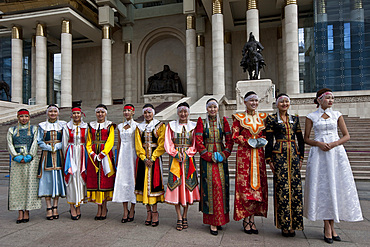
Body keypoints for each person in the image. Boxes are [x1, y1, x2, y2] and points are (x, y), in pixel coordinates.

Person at [304, 88, 363, 244]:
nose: (331, 101)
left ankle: (332, 226)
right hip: (319, 155)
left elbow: (346, 135)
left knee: (335, 187)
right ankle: (327, 226)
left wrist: (334, 143)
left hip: (336, 154)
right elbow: (306, 138)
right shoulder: (311, 117)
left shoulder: (337, 115)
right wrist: (318, 143)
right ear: (319, 100)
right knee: (323, 188)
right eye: (328, 98)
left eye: (332, 98)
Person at [265, 93, 305, 237]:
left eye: (286, 101)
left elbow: (300, 139)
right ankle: (284, 224)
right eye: (281, 102)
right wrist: (269, 158)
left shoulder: (295, 119)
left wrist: (301, 157)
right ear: (277, 104)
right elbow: (269, 140)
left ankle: (294, 224)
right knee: (282, 188)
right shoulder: (271, 119)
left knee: (295, 188)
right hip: (279, 155)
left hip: (293, 155)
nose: (284, 104)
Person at [195, 98, 233, 236]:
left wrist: (225, 154)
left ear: (218, 109)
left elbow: (229, 140)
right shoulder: (201, 122)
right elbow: (198, 141)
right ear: (206, 109)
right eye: (210, 107)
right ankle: (212, 221)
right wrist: (207, 155)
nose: (212, 109)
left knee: (222, 186)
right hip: (208, 158)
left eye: (214, 107)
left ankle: (220, 219)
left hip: (221, 157)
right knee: (211, 186)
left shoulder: (223, 122)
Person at [232, 91, 268, 234]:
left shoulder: (263, 118)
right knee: (244, 187)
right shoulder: (238, 118)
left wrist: (262, 140)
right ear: (245, 102)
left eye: (256, 100)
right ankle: (246, 219)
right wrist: (247, 141)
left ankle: (252, 219)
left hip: (258, 155)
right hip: (244, 156)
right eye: (251, 100)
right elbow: (235, 136)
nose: (254, 103)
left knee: (257, 188)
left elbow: (266, 134)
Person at [164, 102, 200, 231]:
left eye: (185, 111)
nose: (183, 114)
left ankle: (185, 215)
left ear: (188, 112)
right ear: (177, 113)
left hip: (189, 160)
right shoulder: (171, 126)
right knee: (177, 188)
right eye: (181, 111)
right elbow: (168, 142)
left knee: (187, 188)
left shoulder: (194, 126)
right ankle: (179, 216)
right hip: (175, 160)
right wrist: (175, 154)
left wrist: (188, 153)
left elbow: (195, 143)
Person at [7, 109, 41, 223]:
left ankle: (27, 211)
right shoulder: (12, 130)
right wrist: (16, 156)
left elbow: (35, 142)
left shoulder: (34, 129)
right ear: (18, 117)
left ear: (29, 117)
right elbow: (10, 144)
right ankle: (19, 211)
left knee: (29, 185)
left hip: (30, 160)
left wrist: (30, 155)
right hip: (17, 161)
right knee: (17, 186)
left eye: (26, 116)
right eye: (21, 116)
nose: (24, 119)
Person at [135, 104, 165, 227]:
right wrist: (143, 158)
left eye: (149, 112)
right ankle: (148, 212)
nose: (147, 115)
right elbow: (138, 144)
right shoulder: (139, 127)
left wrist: (152, 158)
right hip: (143, 161)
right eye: (145, 113)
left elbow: (162, 143)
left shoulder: (160, 126)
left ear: (153, 113)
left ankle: (155, 212)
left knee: (153, 186)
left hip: (155, 160)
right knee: (144, 187)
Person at [86, 104, 116, 220]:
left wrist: (104, 153)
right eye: (98, 112)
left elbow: (110, 140)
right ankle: (99, 207)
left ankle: (104, 207)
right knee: (95, 179)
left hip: (105, 155)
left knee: (104, 179)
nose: (100, 114)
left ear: (106, 113)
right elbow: (88, 141)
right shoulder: (91, 126)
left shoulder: (110, 126)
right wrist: (92, 153)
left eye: (102, 112)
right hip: (94, 156)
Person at [37, 104, 66, 220]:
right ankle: (48, 207)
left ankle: (55, 207)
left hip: (59, 156)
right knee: (47, 182)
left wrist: (59, 146)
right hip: (46, 156)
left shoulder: (62, 125)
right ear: (47, 113)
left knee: (57, 182)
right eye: (51, 111)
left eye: (55, 111)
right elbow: (39, 140)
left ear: (58, 113)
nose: (53, 113)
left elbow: (65, 138)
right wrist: (48, 147)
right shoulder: (42, 126)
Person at [113, 104, 138, 223]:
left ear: (133, 112)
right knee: (122, 181)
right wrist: (117, 158)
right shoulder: (119, 126)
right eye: (125, 111)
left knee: (132, 180)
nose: (127, 112)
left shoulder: (137, 126)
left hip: (132, 154)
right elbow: (118, 143)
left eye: (129, 110)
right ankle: (124, 210)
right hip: (123, 155)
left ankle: (132, 208)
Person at [62, 107, 88, 220]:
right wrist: (66, 158)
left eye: (78, 113)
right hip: (71, 153)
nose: (76, 115)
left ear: (81, 114)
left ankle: (78, 205)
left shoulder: (85, 127)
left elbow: (87, 141)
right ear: (71, 115)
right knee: (72, 179)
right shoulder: (67, 127)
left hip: (82, 153)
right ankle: (72, 206)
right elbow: (64, 143)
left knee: (80, 180)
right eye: (74, 113)